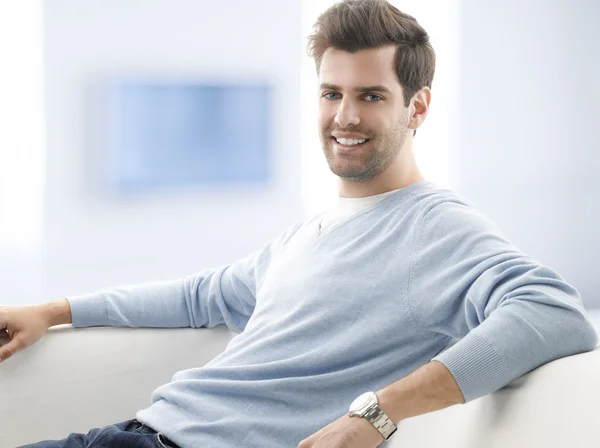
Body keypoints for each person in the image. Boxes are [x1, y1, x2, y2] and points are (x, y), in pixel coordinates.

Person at [1, 0, 598, 447]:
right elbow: (201, 294)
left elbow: (553, 313)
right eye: (330, 92)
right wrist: (52, 312)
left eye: (371, 96)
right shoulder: (310, 233)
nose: (344, 115)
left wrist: (378, 413)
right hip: (136, 431)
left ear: (417, 106)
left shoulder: (436, 228)